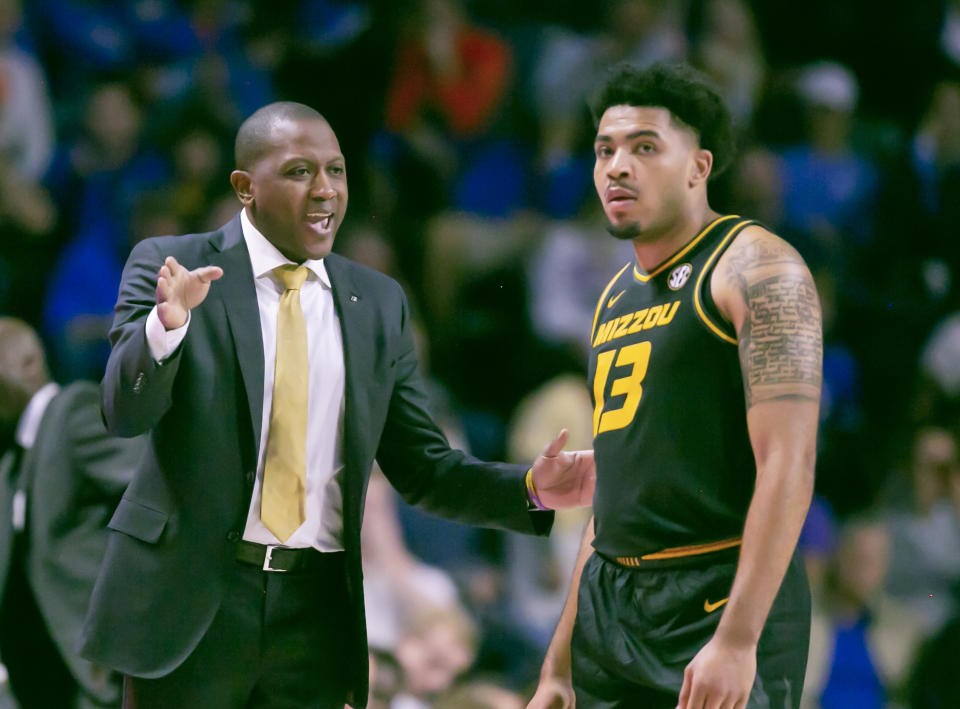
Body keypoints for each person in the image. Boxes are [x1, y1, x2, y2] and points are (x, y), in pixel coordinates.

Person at [77, 101, 595, 709]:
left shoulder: (377, 303)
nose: (326, 190)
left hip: (316, 613)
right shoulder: (173, 265)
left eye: (338, 171)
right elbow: (124, 412)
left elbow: (422, 467)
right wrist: (166, 328)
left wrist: (530, 488)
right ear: (245, 187)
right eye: (300, 172)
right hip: (195, 603)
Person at [528, 63, 821, 709]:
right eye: (605, 150)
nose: (616, 166)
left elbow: (790, 462)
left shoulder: (757, 266)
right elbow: (610, 505)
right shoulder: (611, 298)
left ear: (699, 166)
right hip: (613, 608)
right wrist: (558, 664)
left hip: (716, 594)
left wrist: (739, 637)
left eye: (645, 147)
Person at [0, 318, 145, 709]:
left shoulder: (72, 412)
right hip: (38, 676)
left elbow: (150, 491)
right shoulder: (15, 456)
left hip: (89, 669)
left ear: (29, 363)